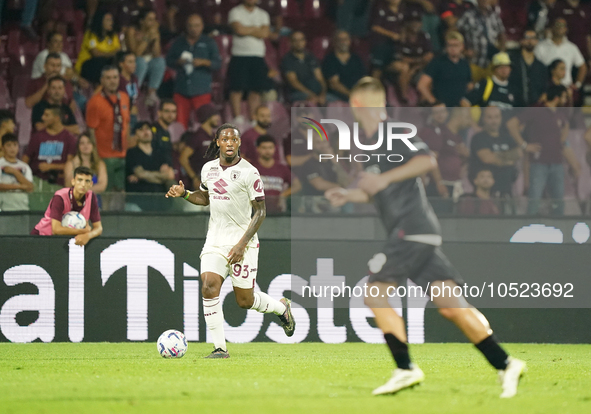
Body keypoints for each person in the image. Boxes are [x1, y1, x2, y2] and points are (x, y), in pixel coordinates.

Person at [324, 77, 525, 397]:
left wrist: (383, 178)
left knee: (374, 293)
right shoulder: (373, 145)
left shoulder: (393, 135)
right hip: (419, 232)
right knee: (450, 305)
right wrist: (349, 196)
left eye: (356, 105)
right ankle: (505, 363)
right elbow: (378, 190)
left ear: (361, 105)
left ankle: (405, 369)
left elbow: (427, 160)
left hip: (411, 229)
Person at [165, 123, 296, 358]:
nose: (229, 143)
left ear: (238, 143)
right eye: (224, 139)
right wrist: (184, 194)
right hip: (215, 240)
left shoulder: (249, 172)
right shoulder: (208, 169)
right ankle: (219, 348)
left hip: (242, 243)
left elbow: (260, 212)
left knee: (245, 301)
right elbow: (205, 198)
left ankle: (281, 308)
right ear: (217, 142)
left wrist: (241, 245)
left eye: (233, 140)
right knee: (208, 286)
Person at [506, 85, 569, 216]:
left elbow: (565, 125)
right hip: (539, 162)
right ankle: (530, 226)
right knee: (534, 200)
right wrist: (524, 145)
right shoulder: (536, 110)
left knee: (558, 202)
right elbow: (511, 124)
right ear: (557, 97)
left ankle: (560, 229)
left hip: (557, 162)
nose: (566, 100)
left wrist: (560, 141)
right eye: (564, 96)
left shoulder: (559, 113)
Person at [166, 14, 221, 129]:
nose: (193, 29)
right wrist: (178, 62)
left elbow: (217, 64)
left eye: (196, 25)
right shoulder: (178, 42)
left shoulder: (209, 42)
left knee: (203, 124)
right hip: (181, 89)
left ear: (202, 26)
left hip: (201, 89)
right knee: (179, 125)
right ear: (186, 27)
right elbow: (168, 60)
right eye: (190, 26)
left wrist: (204, 62)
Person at [31, 166, 103, 246]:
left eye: (87, 181)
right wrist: (83, 231)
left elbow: (98, 228)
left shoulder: (91, 197)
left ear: (91, 184)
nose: (83, 184)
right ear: (73, 182)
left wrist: (88, 236)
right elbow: (56, 229)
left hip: (65, 241)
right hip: (43, 237)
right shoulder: (60, 197)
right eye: (79, 180)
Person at [86, 66, 131, 191]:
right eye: (108, 78)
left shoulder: (124, 97)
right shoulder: (95, 102)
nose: (112, 81)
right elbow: (91, 131)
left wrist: (127, 149)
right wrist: (96, 157)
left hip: (122, 154)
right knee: (107, 192)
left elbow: (126, 124)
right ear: (102, 81)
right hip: (104, 156)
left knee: (122, 192)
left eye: (115, 77)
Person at [227, 0, 272, 122]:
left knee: (256, 90)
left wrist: (247, 29)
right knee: (237, 88)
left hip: (257, 56)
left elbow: (265, 33)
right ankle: (237, 118)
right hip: (239, 55)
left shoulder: (263, 14)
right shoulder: (235, 12)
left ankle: (253, 118)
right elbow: (239, 30)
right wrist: (256, 29)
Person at [420, 103, 469, 204]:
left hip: (453, 183)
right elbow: (431, 158)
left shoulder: (452, 134)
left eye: (442, 112)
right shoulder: (432, 132)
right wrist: (439, 183)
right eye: (436, 113)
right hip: (438, 185)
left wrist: (465, 155)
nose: (440, 115)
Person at [469, 106, 522, 197]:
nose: (494, 121)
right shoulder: (479, 138)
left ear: (501, 118)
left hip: (507, 189)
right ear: (483, 119)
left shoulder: (506, 137)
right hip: (486, 192)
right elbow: (487, 158)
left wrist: (497, 158)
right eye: (490, 117)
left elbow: (519, 153)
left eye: (496, 117)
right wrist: (508, 159)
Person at [23, 105, 77, 189]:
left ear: (56, 118)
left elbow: (71, 164)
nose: (43, 118)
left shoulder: (69, 138)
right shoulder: (37, 136)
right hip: (37, 182)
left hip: (60, 183)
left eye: (47, 115)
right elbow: (26, 158)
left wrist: (50, 166)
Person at [381, 16, 434, 103]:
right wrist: (418, 61)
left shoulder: (423, 36)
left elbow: (429, 56)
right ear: (407, 23)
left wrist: (415, 67)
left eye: (418, 22)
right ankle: (403, 97)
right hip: (395, 66)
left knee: (429, 71)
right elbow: (403, 59)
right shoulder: (401, 36)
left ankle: (424, 102)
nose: (416, 24)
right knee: (405, 67)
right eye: (413, 22)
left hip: (418, 67)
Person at [126, 122, 175, 211]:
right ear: (136, 135)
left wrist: (145, 175)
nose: (146, 132)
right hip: (139, 200)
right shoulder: (132, 153)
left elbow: (169, 175)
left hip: (161, 200)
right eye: (141, 130)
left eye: (148, 129)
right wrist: (161, 177)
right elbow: (140, 173)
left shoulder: (160, 152)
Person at [418, 31, 472, 107]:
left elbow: (469, 85)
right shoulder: (437, 62)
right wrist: (434, 102)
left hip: (458, 109)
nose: (453, 48)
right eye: (450, 45)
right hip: (442, 110)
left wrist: (468, 100)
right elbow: (422, 85)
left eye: (456, 45)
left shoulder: (464, 63)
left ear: (462, 46)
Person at [457, 0, 506, 81]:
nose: (485, 1)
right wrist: (463, 51)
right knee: (472, 89)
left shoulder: (494, 15)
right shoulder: (468, 15)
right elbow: (455, 31)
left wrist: (501, 52)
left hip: (491, 62)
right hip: (474, 62)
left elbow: (502, 34)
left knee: (490, 90)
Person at [126, 8, 166, 106]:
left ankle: (151, 92)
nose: (153, 23)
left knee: (160, 61)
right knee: (141, 62)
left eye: (154, 19)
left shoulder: (154, 32)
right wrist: (147, 38)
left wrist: (156, 38)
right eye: (150, 19)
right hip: (134, 61)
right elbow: (136, 53)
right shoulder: (132, 31)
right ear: (142, 21)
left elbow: (157, 54)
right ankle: (134, 93)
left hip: (149, 62)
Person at [534, 18, 587, 90]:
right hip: (547, 89)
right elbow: (534, 67)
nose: (560, 28)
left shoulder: (571, 47)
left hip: (566, 89)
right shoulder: (541, 46)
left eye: (563, 25)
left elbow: (582, 67)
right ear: (552, 27)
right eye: (557, 25)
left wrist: (577, 85)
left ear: (566, 29)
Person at [178, 103, 221, 190]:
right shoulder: (197, 137)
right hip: (201, 183)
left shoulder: (213, 136)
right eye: (215, 115)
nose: (218, 118)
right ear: (207, 116)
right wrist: (194, 178)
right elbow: (183, 158)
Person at [251, 134, 297, 213]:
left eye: (270, 148)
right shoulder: (251, 168)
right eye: (264, 148)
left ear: (275, 149)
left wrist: (283, 195)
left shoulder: (281, 168)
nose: (268, 151)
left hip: (277, 212)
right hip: (255, 213)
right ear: (257, 149)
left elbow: (297, 185)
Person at [75, 11, 122, 85]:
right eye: (108, 20)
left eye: (111, 20)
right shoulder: (91, 34)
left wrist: (107, 54)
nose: (111, 22)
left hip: (104, 64)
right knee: (101, 61)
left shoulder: (113, 36)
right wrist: (111, 53)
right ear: (100, 22)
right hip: (88, 65)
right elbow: (95, 53)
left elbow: (118, 51)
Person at [282, 31, 327, 104]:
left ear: (305, 41)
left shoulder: (311, 57)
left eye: (301, 40)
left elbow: (320, 79)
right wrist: (311, 94)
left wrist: (323, 94)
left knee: (335, 102)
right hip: (298, 93)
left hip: (317, 92)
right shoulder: (288, 59)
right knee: (311, 101)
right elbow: (293, 82)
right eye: (295, 40)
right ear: (290, 43)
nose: (299, 43)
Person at [322, 30, 367, 102]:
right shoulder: (330, 59)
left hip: (358, 95)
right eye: (340, 40)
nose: (343, 42)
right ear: (334, 42)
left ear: (350, 41)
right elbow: (334, 84)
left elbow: (364, 79)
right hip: (338, 97)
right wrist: (351, 95)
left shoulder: (356, 58)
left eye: (346, 39)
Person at [508, 30, 548, 107]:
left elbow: (544, 89)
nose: (530, 41)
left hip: (533, 109)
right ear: (521, 41)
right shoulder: (512, 62)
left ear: (537, 41)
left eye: (533, 38)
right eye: (527, 38)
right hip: (514, 106)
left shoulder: (541, 67)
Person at [0, 133, 34, 211]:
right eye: (9, 145)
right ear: (2, 148)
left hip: (23, 208)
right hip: (4, 208)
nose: (12, 148)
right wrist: (20, 187)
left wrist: (14, 172)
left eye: (15, 145)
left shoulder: (25, 167)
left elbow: (30, 187)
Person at [117, 51, 139, 132]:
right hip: (122, 117)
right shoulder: (117, 79)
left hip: (133, 116)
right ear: (121, 64)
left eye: (134, 61)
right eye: (130, 62)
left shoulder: (134, 79)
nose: (134, 64)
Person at [151, 99, 177, 167]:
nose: (170, 115)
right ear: (159, 113)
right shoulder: (152, 130)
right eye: (167, 111)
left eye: (173, 112)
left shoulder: (166, 132)